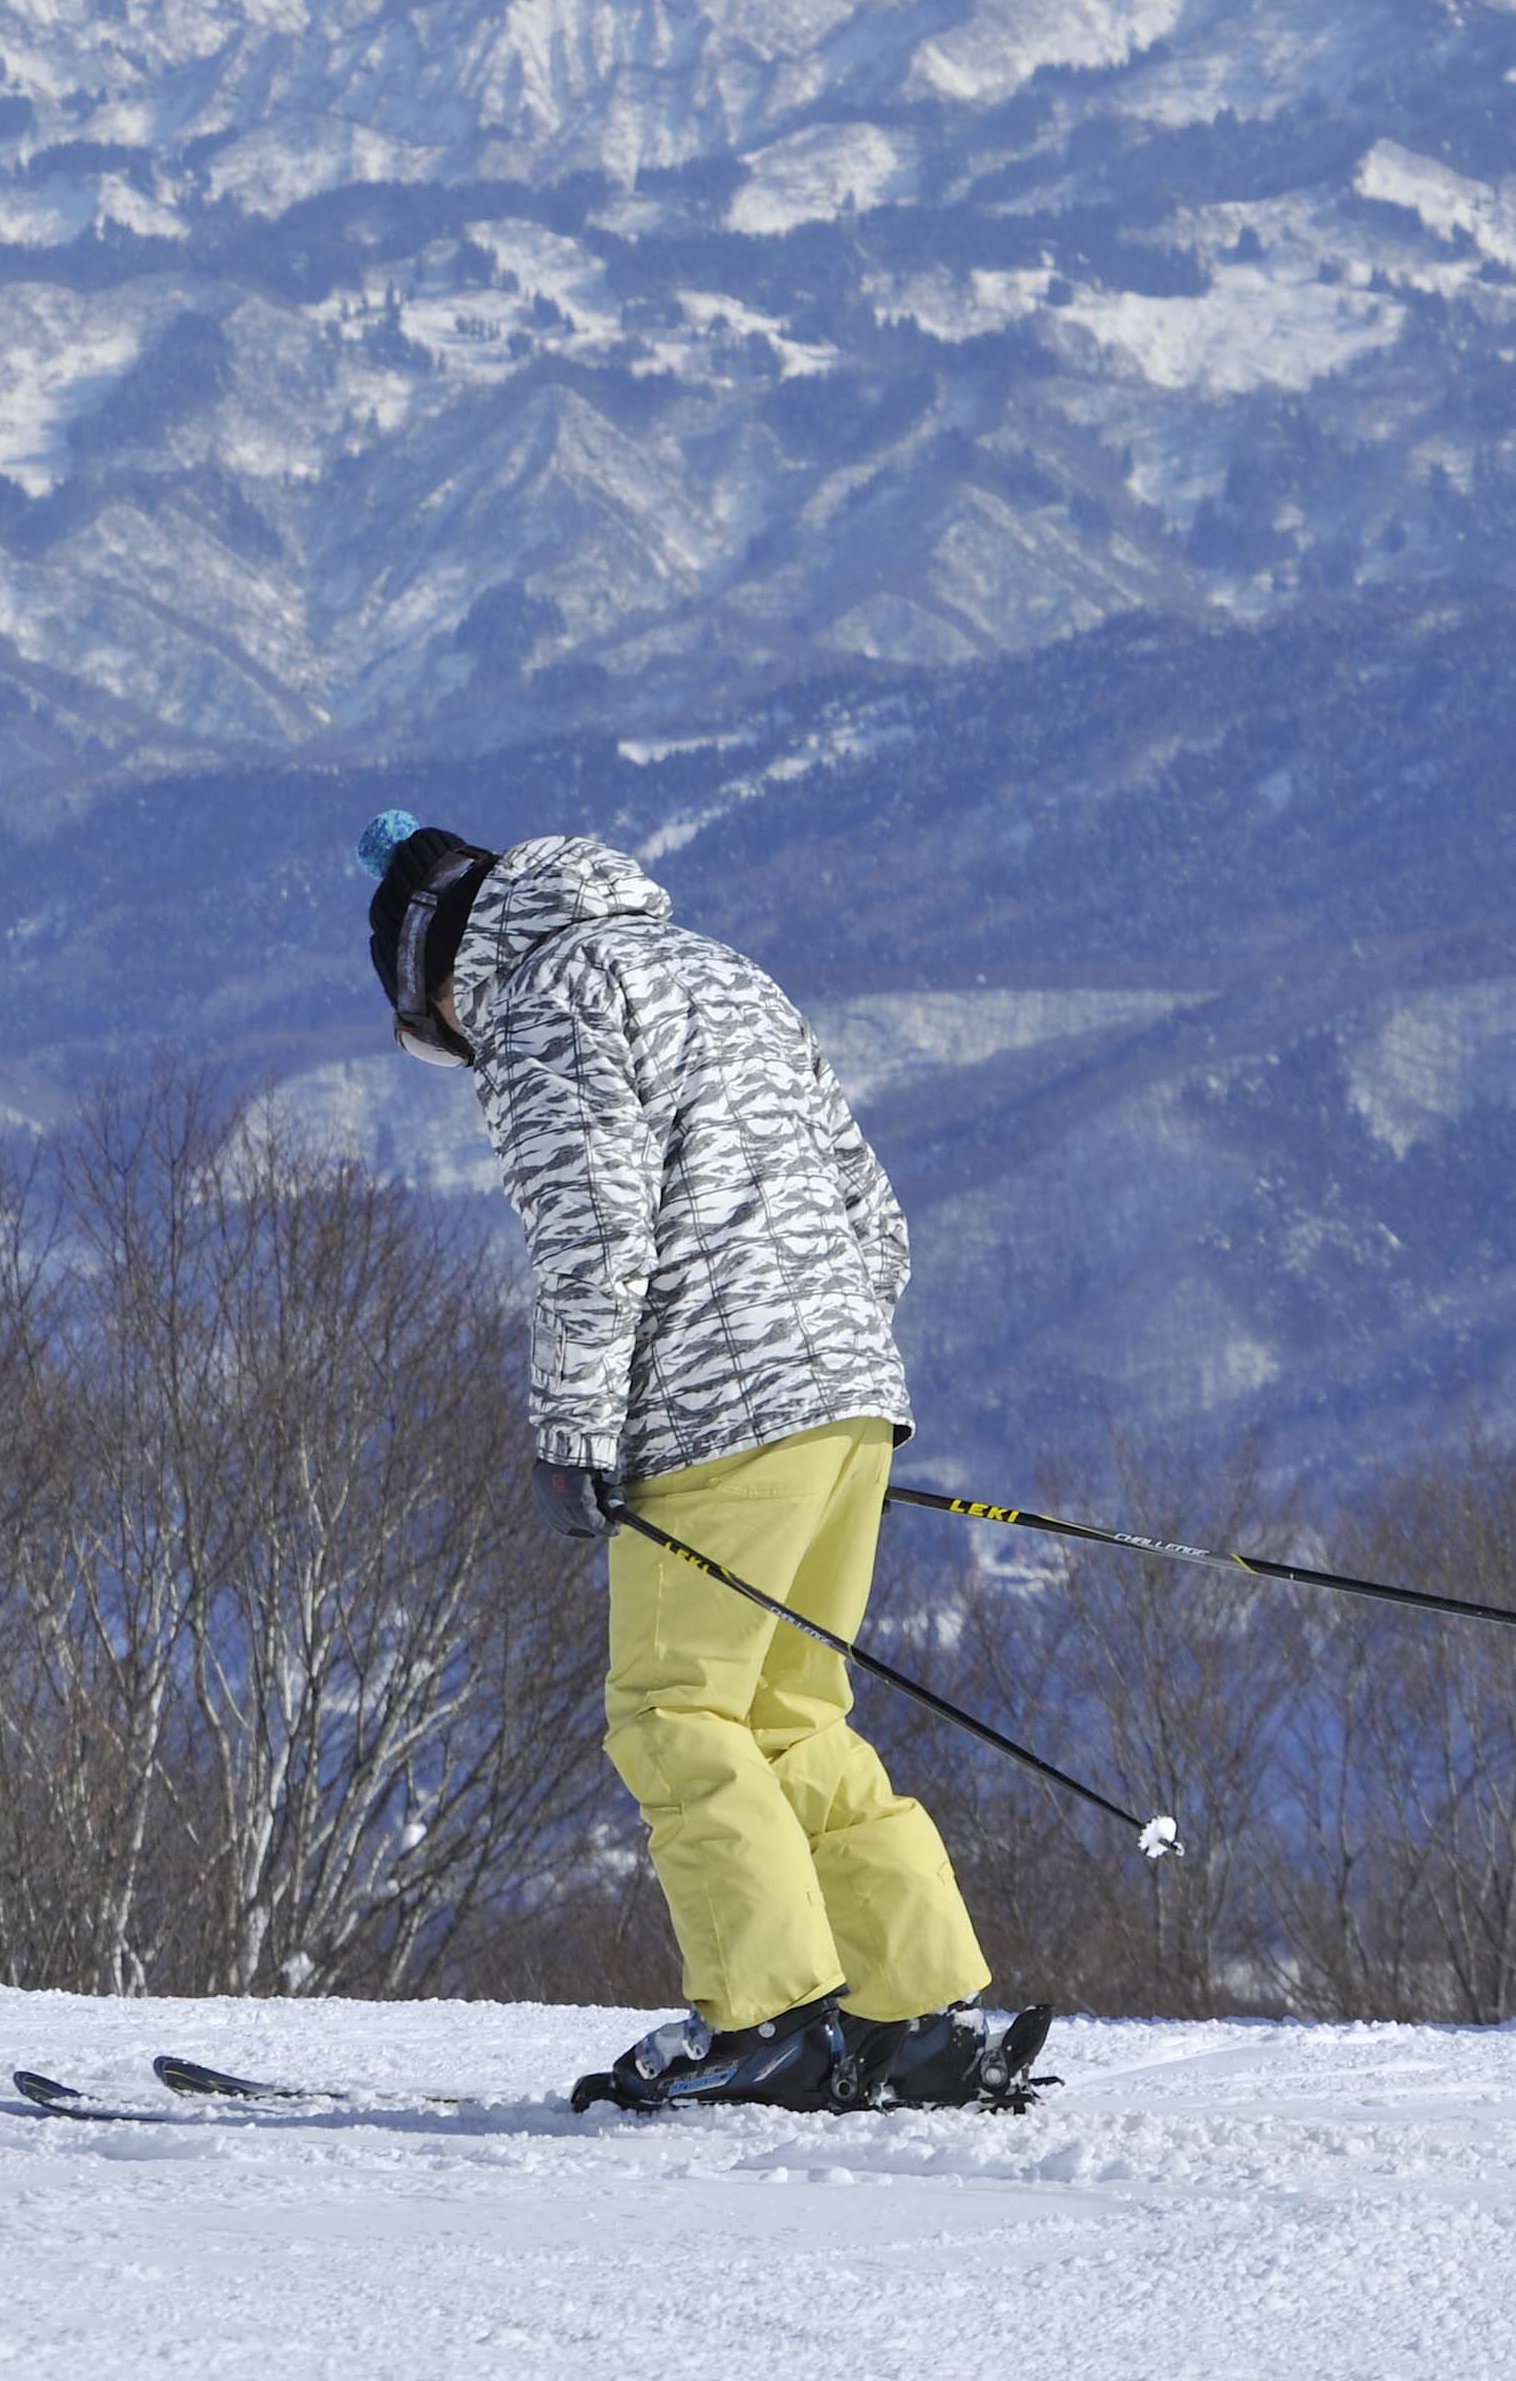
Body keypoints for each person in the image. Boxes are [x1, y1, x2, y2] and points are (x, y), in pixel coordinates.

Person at [364, 810, 1030, 2113]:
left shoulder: (550, 1001)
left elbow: (592, 1237)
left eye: (433, 1025)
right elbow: (869, 1215)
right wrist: (821, 1380)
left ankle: (769, 2021)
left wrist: (574, 1431)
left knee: (674, 1714)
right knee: (789, 1715)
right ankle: (918, 2017)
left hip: (712, 1407)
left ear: (445, 978)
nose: (454, 1046)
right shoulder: (725, 973)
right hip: (847, 1397)